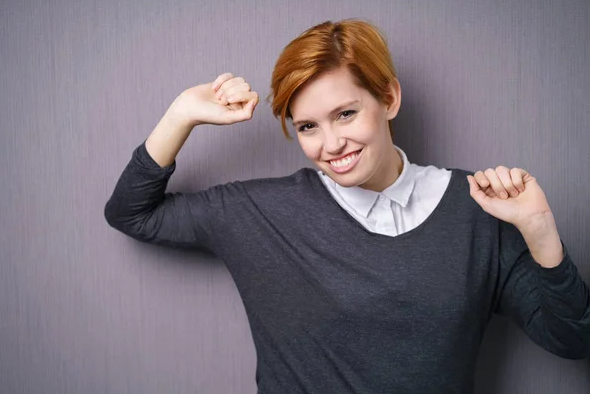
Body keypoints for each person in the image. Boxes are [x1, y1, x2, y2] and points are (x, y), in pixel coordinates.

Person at [104, 19, 590, 393]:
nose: (331, 143)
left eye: (346, 113)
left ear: (389, 99)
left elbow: (572, 340)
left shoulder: (479, 211)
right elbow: (132, 213)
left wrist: (539, 230)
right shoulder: (260, 213)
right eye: (308, 127)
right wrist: (181, 115)